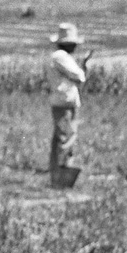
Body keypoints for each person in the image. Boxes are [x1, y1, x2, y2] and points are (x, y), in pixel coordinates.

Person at [47, 22, 90, 187]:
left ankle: (59, 175)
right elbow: (79, 76)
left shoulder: (61, 57)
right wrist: (82, 69)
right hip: (64, 102)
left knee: (63, 137)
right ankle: (60, 178)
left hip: (65, 101)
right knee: (65, 138)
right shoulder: (61, 57)